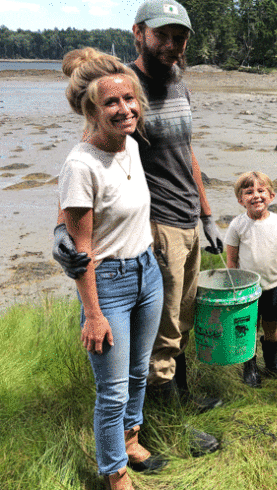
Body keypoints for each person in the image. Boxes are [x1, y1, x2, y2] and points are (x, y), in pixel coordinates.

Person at [53, 0, 223, 454]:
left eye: (179, 36)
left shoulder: (178, 83)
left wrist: (206, 214)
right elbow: (85, 159)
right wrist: (60, 230)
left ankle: (176, 401)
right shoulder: (122, 87)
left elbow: (188, 153)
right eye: (161, 35)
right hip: (156, 228)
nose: (171, 44)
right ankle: (168, 424)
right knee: (162, 334)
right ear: (138, 33)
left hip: (187, 221)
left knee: (180, 320)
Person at [59, 47, 166, 490]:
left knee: (139, 371)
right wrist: (95, 314)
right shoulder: (80, 164)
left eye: (130, 99)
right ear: (92, 110)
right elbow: (80, 251)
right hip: (109, 285)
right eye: (111, 103)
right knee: (112, 390)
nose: (125, 109)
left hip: (147, 272)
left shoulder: (131, 146)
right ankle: (114, 475)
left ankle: (131, 438)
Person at [225, 171, 277, 388]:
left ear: (271, 196)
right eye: (248, 192)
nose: (256, 196)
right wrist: (235, 291)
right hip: (247, 290)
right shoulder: (237, 225)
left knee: (271, 328)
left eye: (261, 190)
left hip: (274, 288)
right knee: (249, 330)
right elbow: (232, 261)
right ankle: (250, 369)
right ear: (240, 200)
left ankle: (273, 364)